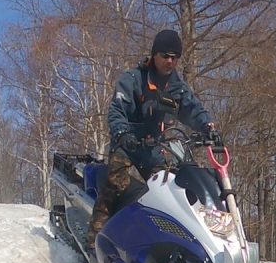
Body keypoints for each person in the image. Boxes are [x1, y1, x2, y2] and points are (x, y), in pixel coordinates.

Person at [88, 28, 216, 248]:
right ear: (154, 55)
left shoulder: (177, 87)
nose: (170, 61)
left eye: (174, 57)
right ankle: (94, 240)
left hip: (152, 144)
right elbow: (117, 111)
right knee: (115, 184)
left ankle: (164, 243)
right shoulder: (133, 79)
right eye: (165, 56)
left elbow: (192, 109)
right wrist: (122, 133)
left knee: (168, 189)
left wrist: (207, 126)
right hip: (127, 142)